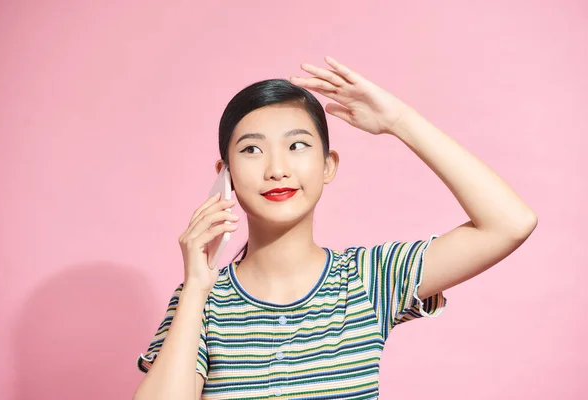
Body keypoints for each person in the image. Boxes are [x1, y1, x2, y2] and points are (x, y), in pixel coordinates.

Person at [132, 56, 537, 400]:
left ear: (329, 166)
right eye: (252, 150)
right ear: (226, 175)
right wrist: (197, 287)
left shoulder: (368, 279)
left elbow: (510, 224)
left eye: (297, 146)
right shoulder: (201, 300)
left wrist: (399, 121)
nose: (276, 169)